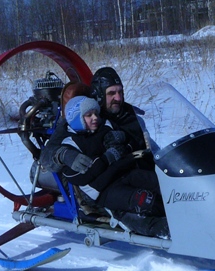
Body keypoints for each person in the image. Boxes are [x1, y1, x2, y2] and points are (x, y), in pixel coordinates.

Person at [57, 96, 168, 237]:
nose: (95, 118)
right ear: (76, 118)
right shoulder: (70, 144)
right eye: (88, 115)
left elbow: (130, 144)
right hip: (103, 190)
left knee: (161, 183)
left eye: (96, 113)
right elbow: (81, 177)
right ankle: (167, 229)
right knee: (146, 200)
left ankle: (188, 211)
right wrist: (106, 159)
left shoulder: (104, 127)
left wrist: (123, 142)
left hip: (125, 173)